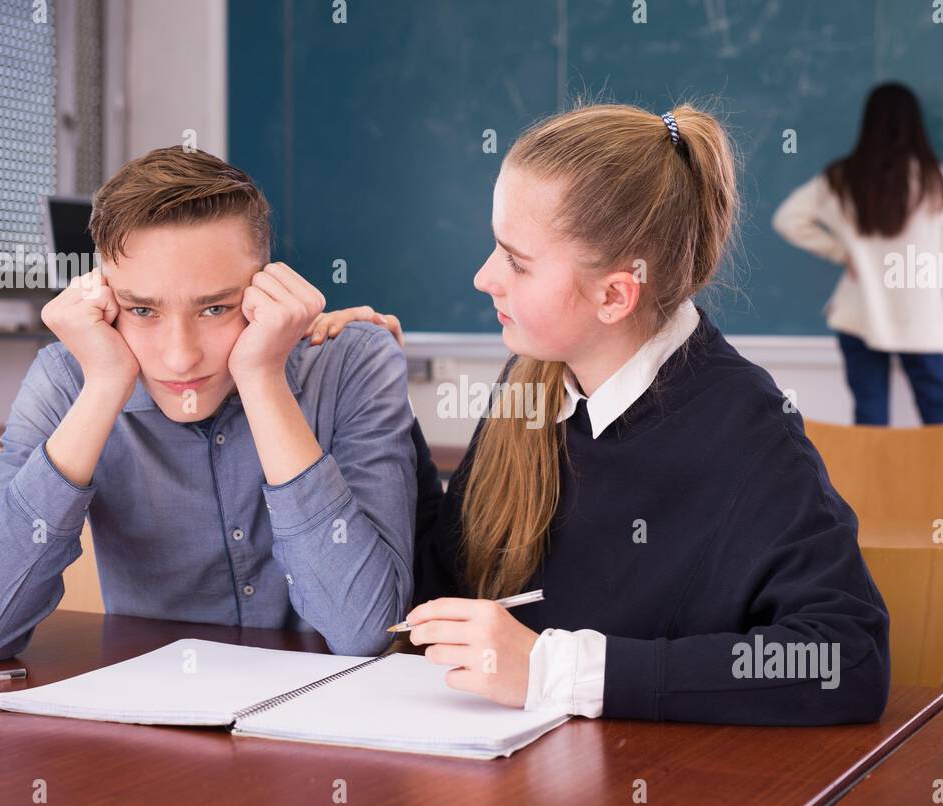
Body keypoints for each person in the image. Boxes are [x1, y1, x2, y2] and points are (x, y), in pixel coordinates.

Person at [309, 102, 891, 726]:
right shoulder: (534, 385)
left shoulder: (748, 430)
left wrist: (557, 672)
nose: (484, 277)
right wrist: (381, 410)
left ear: (615, 294)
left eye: (516, 261)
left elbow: (841, 657)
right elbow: (448, 579)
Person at [0, 148, 417, 663]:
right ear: (106, 297)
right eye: (142, 309)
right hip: (150, 729)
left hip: (320, 727)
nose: (180, 356)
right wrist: (104, 386)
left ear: (267, 289)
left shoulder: (353, 363)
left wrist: (261, 378)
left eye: (216, 308)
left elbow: (363, 632)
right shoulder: (67, 380)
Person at [772, 82, 943, 430]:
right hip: (922, 319)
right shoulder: (934, 179)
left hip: (859, 314)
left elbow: (787, 218)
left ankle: (870, 488)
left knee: (870, 420)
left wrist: (843, 252)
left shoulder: (842, 178)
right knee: (941, 417)